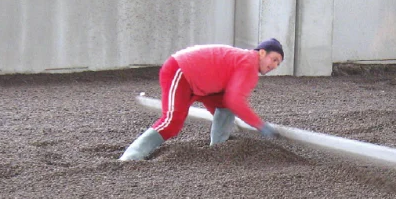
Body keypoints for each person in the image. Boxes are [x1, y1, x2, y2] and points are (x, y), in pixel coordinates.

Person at [119, 39, 285, 161]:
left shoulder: (245, 60)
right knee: (172, 122)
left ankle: (219, 147)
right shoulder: (248, 64)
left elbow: (230, 100)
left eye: (278, 63)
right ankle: (131, 157)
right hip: (180, 71)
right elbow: (236, 100)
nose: (275, 65)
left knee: (224, 105)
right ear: (261, 53)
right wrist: (259, 125)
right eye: (274, 59)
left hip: (198, 81)